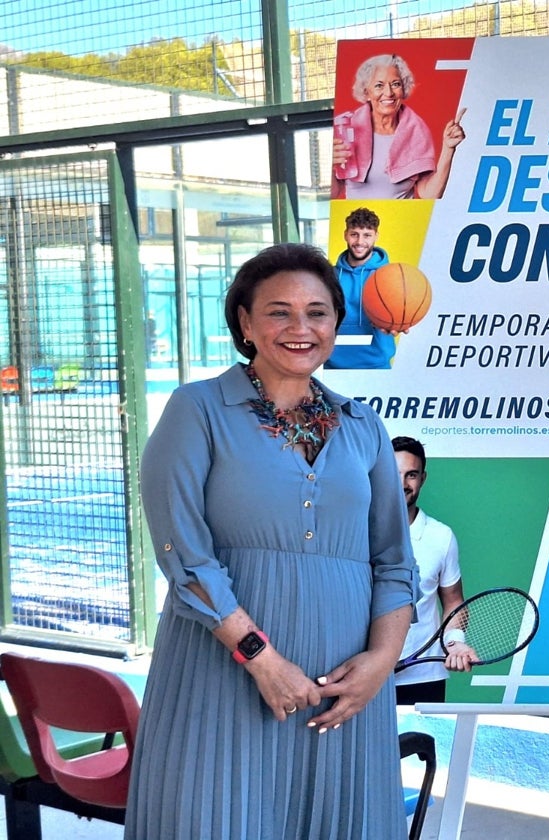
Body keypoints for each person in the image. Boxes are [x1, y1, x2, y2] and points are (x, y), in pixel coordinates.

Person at [127, 243, 417, 839]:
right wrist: (260, 657)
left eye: (317, 312)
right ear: (245, 323)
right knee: (214, 817)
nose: (300, 328)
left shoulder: (364, 427)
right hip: (223, 673)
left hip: (346, 691)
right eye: (279, 311)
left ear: (337, 322)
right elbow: (182, 553)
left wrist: (380, 665)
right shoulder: (197, 409)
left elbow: (393, 561)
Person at [391, 435, 476, 703]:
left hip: (424, 677)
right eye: (394, 473)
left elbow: (453, 601)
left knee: (418, 746)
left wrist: (454, 640)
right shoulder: (356, 532)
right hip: (364, 676)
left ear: (423, 479)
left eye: (411, 475)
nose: (403, 483)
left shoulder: (441, 536)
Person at [331, 53, 466, 200]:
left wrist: (448, 148)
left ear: (403, 89)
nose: (388, 93)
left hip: (402, 221)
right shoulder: (345, 130)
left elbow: (430, 194)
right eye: (379, 85)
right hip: (358, 221)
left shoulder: (417, 131)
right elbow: (334, 193)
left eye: (395, 84)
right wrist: (330, 167)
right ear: (366, 92)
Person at [326, 207, 394, 370]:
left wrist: (397, 323)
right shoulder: (329, 276)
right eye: (354, 234)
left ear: (376, 236)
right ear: (345, 235)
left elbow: (400, 313)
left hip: (376, 366)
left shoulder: (390, 277)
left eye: (367, 235)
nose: (359, 242)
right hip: (331, 367)